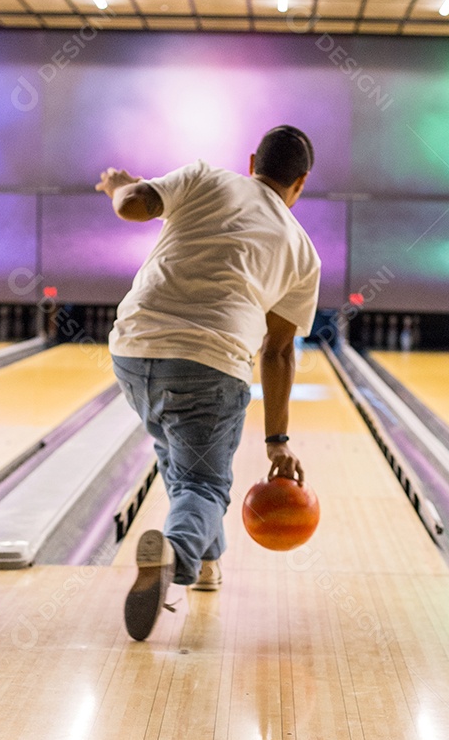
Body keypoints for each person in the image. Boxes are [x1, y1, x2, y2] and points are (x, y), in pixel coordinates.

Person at [95, 125, 321, 641]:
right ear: (301, 183)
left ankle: (206, 563)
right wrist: (277, 441)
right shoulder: (303, 252)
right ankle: (178, 550)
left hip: (132, 350)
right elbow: (279, 350)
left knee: (182, 461)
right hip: (211, 366)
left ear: (250, 161)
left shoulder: (205, 177)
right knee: (203, 484)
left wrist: (118, 187)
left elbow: (133, 205)